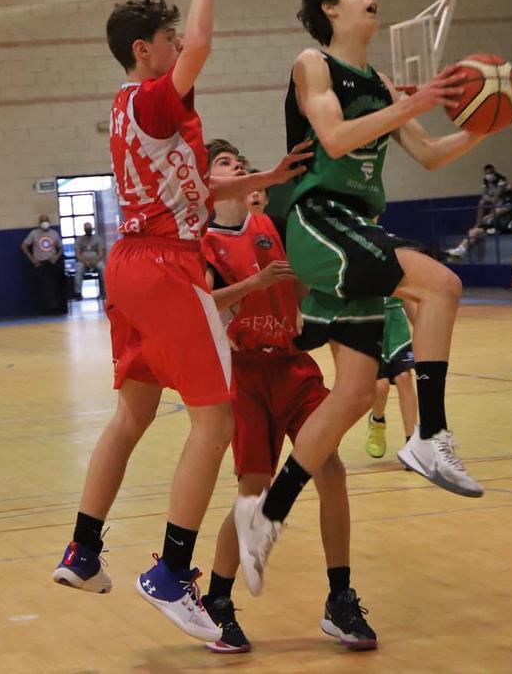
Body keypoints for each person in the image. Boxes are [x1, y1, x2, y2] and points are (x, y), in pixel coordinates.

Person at [51, 0, 311, 642]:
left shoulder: (130, 105)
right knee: (216, 419)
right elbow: (201, 44)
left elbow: (198, 184)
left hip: (129, 264)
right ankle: (171, 570)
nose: (178, 47)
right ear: (145, 50)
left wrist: (264, 180)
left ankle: (83, 548)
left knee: (131, 415)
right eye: (166, 39)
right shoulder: (160, 98)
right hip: (167, 268)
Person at [238, 0, 510, 594]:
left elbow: (432, 154)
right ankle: (430, 434)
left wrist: (483, 124)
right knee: (440, 284)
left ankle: (265, 513)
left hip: (358, 227)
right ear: (331, 9)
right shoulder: (314, 65)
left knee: (357, 393)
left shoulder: (383, 82)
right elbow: (332, 139)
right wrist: (412, 101)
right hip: (318, 223)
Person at [199, 142, 375, 654]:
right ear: (212, 185)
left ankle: (340, 599)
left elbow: (298, 290)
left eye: (241, 162)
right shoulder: (204, 242)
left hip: (293, 365)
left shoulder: (270, 226)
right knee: (253, 489)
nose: (240, 168)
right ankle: (218, 600)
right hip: (246, 373)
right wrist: (254, 283)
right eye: (227, 164)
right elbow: (204, 307)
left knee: (332, 469)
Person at [366, 296, 418, 461]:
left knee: (405, 377)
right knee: (381, 387)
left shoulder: (400, 270)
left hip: (397, 327)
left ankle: (412, 445)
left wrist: (423, 327)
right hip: (370, 325)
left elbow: (407, 297)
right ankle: (377, 420)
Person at [20, 213, 64, 314]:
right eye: (42, 221)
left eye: (46, 220)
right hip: (40, 264)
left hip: (52, 263)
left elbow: (61, 247)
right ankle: (46, 309)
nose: (45, 223)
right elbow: (24, 245)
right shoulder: (34, 233)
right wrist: (32, 259)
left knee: (54, 286)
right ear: (39, 223)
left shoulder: (54, 233)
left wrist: (56, 257)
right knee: (44, 287)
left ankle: (56, 309)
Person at [73, 221, 106, 299]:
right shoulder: (79, 240)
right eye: (87, 228)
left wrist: (94, 261)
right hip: (83, 261)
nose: (88, 230)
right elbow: (77, 254)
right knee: (78, 269)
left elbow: (101, 253)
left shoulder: (97, 239)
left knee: (102, 268)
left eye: (89, 228)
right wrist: (85, 262)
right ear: (84, 229)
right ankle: (78, 293)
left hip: (96, 260)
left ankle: (105, 291)